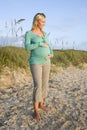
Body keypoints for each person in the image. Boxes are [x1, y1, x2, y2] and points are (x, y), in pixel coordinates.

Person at [25, 13, 53, 121]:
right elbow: (27, 47)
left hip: (47, 62)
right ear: (37, 21)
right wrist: (39, 44)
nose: (44, 24)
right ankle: (36, 110)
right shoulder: (29, 33)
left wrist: (52, 54)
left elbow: (50, 46)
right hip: (35, 62)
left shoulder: (44, 33)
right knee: (38, 85)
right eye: (43, 22)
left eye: (45, 22)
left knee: (45, 84)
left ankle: (41, 104)